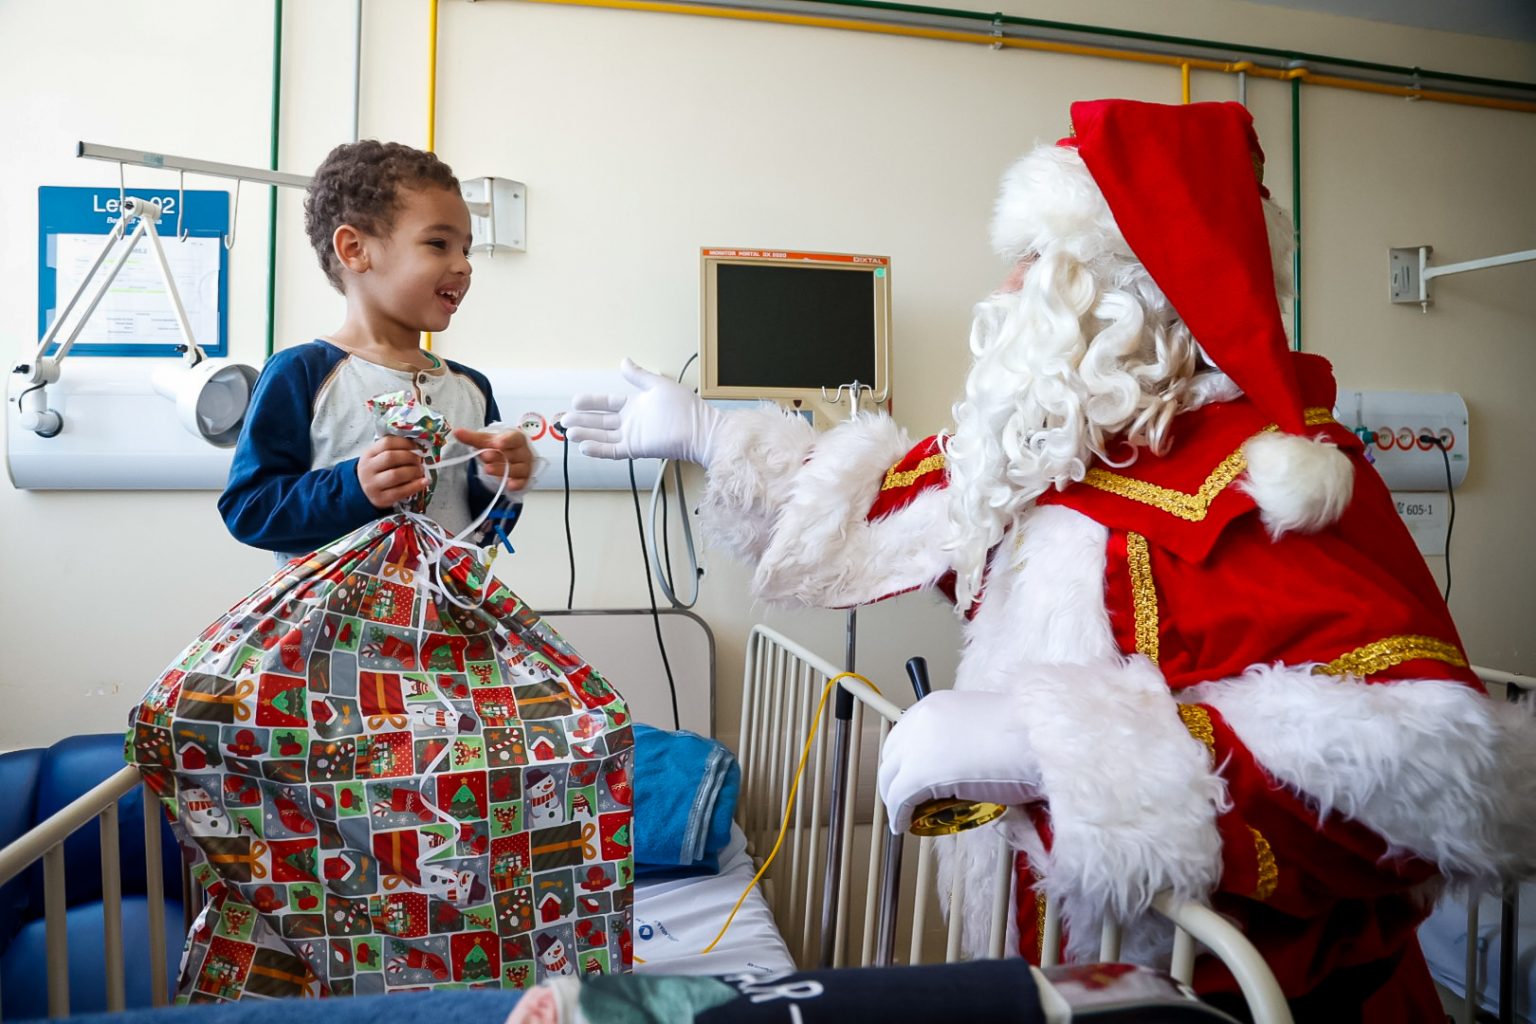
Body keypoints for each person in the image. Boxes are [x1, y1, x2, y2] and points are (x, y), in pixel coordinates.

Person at [566, 100, 1536, 1019]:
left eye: (1032, 258)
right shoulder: (1060, 448)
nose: (1005, 289)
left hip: (1242, 1000)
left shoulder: (1267, 480)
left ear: (1125, 288)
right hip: (1078, 975)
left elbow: (1433, 774)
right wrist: (710, 434)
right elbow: (881, 507)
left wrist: (1050, 747)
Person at [219, 140, 533, 560]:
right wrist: (354, 486)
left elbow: (489, 532)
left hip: (447, 604)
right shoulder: (300, 374)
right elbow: (249, 510)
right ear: (355, 250)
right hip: (331, 606)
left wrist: (502, 483)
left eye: (465, 249)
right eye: (438, 243)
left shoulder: (472, 390)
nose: (464, 265)